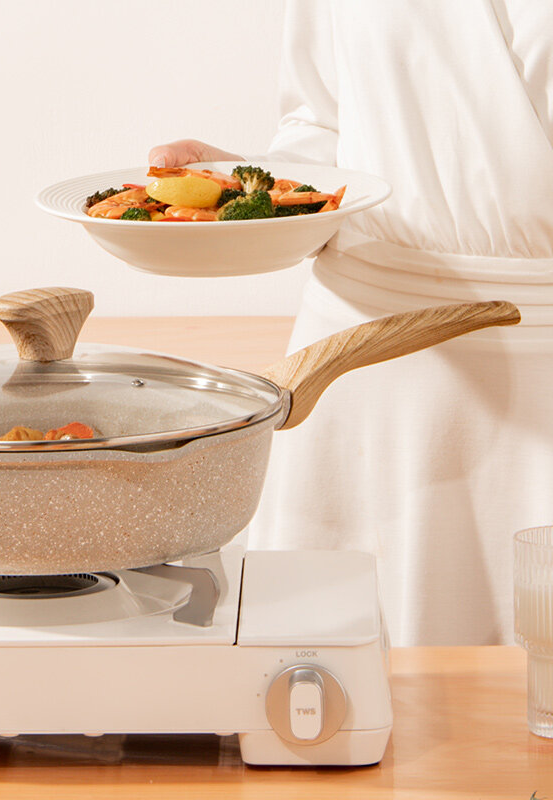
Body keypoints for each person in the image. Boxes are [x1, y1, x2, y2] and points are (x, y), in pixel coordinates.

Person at [149, 0, 553, 646]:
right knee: (333, 683)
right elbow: (321, 121)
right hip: (359, 367)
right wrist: (265, 195)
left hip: (539, 380)